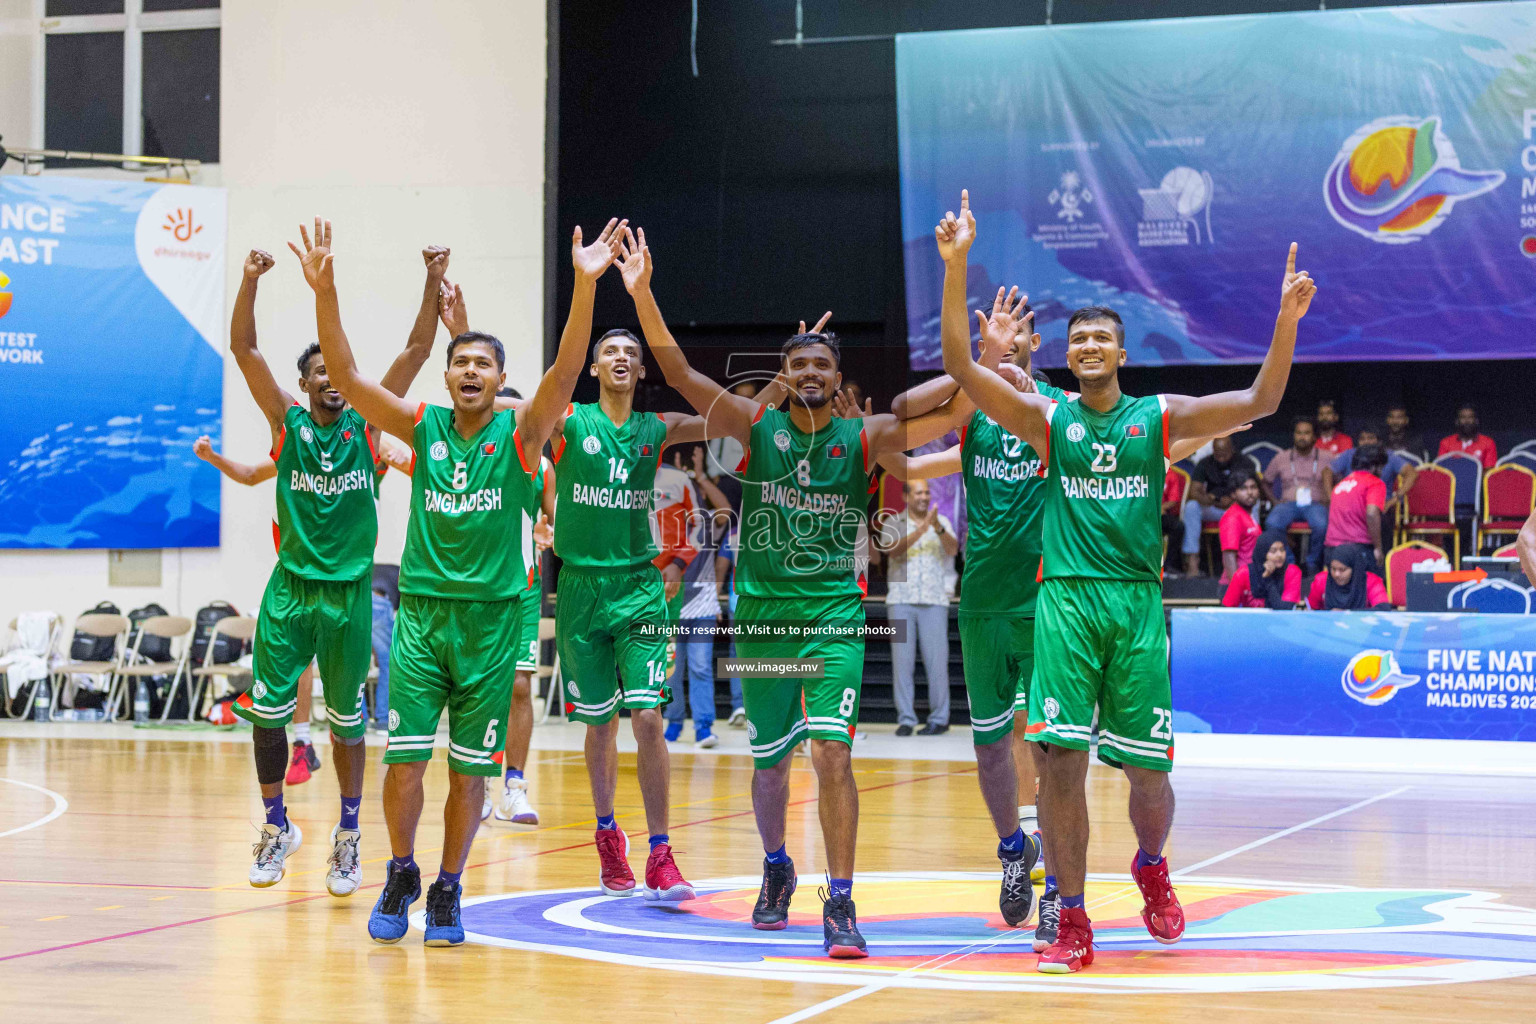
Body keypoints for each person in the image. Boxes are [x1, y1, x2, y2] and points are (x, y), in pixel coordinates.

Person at [936, 188, 1315, 974]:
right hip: (1065, 602)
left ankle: (1150, 863)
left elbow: (1260, 400)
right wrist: (956, 266)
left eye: (1103, 337)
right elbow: (960, 367)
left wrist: (1284, 323)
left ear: (1121, 351)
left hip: (1137, 605)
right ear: (1069, 356)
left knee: (1150, 771)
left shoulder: (1158, 418)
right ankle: (1072, 917)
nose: (1090, 347)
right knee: (1060, 766)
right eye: (1079, 340)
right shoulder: (1047, 420)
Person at [618, 225, 974, 958]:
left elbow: (954, 409)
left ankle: (840, 901)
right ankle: (777, 867)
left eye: (821, 364)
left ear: (836, 381)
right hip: (764, 622)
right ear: (783, 376)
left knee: (832, 755)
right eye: (798, 363)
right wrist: (644, 294)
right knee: (771, 763)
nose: (810, 372)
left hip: (834, 619)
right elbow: (682, 375)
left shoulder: (864, 435)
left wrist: (983, 353)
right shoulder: (754, 429)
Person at [307, 217, 587, 945]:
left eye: (482, 365)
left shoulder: (523, 436)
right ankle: (403, 871)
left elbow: (564, 372)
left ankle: (449, 888)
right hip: (424, 620)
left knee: (469, 776)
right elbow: (344, 376)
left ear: (499, 381)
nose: (469, 371)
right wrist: (324, 288)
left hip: (492, 626)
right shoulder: (421, 424)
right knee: (404, 766)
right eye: (459, 361)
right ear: (447, 375)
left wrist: (584, 285)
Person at [227, 240, 439, 899]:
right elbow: (245, 351)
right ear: (307, 383)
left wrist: (432, 282)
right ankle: (274, 825)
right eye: (317, 372)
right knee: (269, 713)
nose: (328, 380)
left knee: (346, 724)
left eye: (336, 371)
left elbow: (415, 354)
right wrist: (249, 281)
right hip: (290, 590)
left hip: (349, 596)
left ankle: (348, 838)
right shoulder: (286, 423)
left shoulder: (371, 428)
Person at [191, 436, 334, 766]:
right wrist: (212, 456)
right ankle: (302, 740)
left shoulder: (353, 450)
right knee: (300, 662)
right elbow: (250, 474)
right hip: (297, 577)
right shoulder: (294, 454)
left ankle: (332, 749)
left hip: (343, 579)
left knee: (335, 675)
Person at [881, 479, 956, 737]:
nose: (924, 497)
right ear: (905, 496)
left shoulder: (942, 522)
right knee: (902, 665)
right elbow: (892, 550)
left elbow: (953, 550)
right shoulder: (894, 523)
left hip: (934, 600)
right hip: (901, 600)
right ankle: (906, 719)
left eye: (927, 492)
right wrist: (922, 529)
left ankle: (939, 718)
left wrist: (936, 528)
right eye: (918, 492)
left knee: (937, 664)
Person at [1263, 416, 1330, 573]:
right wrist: (1274, 500)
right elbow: (1265, 482)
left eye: (1306, 433)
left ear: (1314, 436)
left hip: (1316, 504)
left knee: (1322, 526)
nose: (1302, 437)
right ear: (1293, 435)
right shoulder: (1282, 457)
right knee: (1272, 523)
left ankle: (1312, 563)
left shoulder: (1327, 457)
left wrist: (1329, 500)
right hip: (1288, 504)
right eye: (1299, 433)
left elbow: (1340, 479)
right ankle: (1290, 563)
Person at [1180, 436, 1245, 577]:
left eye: (1224, 453)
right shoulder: (1205, 463)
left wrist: (1235, 501)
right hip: (1213, 507)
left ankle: (1249, 559)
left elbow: (1253, 489)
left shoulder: (1242, 462)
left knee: (1253, 505)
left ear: (1231, 449)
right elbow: (1194, 491)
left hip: (1235, 508)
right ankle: (1192, 562)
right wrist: (1208, 499)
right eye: (1218, 453)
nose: (1221, 457)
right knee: (1191, 507)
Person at [1324, 443, 1388, 569]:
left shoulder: (1341, 484)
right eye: (1382, 467)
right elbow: (1371, 513)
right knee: (1376, 584)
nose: (1382, 472)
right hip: (1358, 551)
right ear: (1375, 467)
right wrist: (1378, 548)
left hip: (1331, 551)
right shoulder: (1374, 483)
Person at [1323, 425, 1418, 505]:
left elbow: (1412, 473)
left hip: (1381, 505)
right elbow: (1327, 472)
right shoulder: (1349, 455)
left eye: (1370, 438)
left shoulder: (1388, 456)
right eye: (1362, 439)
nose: (1366, 442)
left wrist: (1394, 499)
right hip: (1353, 504)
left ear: (1378, 441)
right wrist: (1332, 498)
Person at [1221, 529, 1302, 608]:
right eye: (1273, 551)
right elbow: (1227, 608)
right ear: (1263, 553)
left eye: (1282, 550)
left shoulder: (1292, 572)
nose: (1279, 555)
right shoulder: (1243, 573)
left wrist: (1268, 580)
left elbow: (1284, 608)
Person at [1308, 544, 1390, 610]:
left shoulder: (1371, 581)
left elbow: (1383, 608)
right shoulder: (1322, 580)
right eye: (1333, 569)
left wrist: (1347, 614)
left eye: (1342, 570)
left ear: (1354, 569)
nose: (1336, 574)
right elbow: (1311, 609)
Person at [1217, 473, 1262, 585]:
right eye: (1243, 489)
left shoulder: (1248, 515)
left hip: (1251, 583)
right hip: (1237, 587)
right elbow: (1229, 555)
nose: (1250, 492)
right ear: (1233, 494)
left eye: (1253, 487)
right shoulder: (1233, 517)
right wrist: (1237, 589)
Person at [1438, 403, 1498, 469]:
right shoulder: (1446, 443)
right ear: (1457, 422)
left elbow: (1489, 472)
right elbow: (1441, 470)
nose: (1467, 421)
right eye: (1463, 417)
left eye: (1470, 417)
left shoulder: (1488, 443)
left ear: (1476, 421)